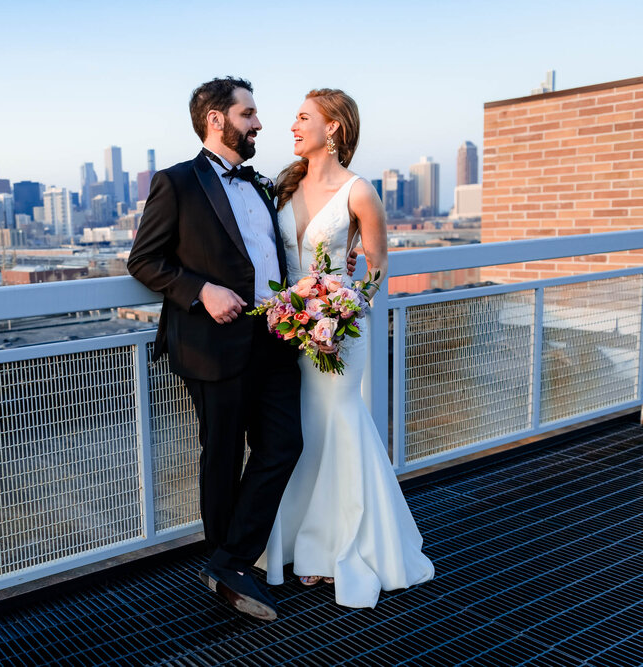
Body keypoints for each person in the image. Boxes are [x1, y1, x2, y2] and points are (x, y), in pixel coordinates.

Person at [128, 77, 325, 621]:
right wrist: (201, 291)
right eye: (249, 113)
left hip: (275, 335)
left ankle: (228, 561)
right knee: (220, 456)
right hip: (212, 343)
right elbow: (143, 261)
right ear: (217, 118)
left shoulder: (262, 184)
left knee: (284, 444)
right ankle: (228, 568)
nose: (259, 123)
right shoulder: (176, 183)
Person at [256, 89, 435, 608]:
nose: (292, 125)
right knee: (300, 433)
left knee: (337, 424)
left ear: (332, 127)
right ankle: (296, 540)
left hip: (337, 334)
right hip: (287, 329)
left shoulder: (360, 192)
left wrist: (344, 307)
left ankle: (338, 547)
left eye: (303, 117)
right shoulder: (283, 186)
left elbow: (378, 266)